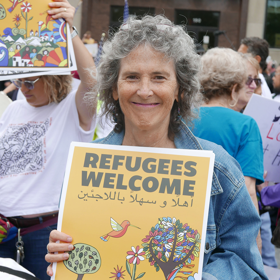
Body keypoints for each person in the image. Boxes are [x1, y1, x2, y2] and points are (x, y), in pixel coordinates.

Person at [45, 15, 268, 280]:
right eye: (131, 77)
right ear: (114, 88)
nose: (144, 90)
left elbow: (246, 263)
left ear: (180, 90)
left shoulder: (218, 168)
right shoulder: (85, 166)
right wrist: (64, 256)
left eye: (159, 77)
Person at [0, 1, 97, 279]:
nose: (24, 89)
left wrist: (69, 29)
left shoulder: (72, 107)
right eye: (20, 82)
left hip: (45, 232)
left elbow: (93, 81)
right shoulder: (16, 107)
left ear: (53, 78)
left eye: (31, 82)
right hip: (4, 231)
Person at [191, 48, 264, 252]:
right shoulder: (245, 125)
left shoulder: (179, 118)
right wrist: (255, 243)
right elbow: (248, 190)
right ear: (234, 88)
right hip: (226, 226)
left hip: (184, 218)